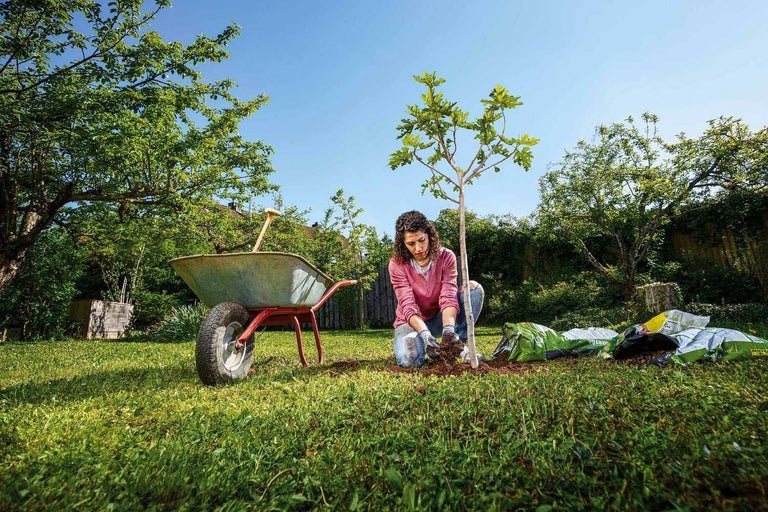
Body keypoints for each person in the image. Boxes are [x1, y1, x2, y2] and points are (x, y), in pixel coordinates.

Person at [388, 210, 484, 368]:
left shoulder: (446, 257)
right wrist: (424, 334)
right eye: (411, 244)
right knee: (408, 359)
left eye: (421, 240)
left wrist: (447, 330)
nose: (418, 248)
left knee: (473, 290)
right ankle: (427, 348)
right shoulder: (397, 264)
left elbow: (448, 296)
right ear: (402, 243)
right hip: (411, 322)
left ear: (429, 235)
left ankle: (455, 346)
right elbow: (408, 304)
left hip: (440, 317)